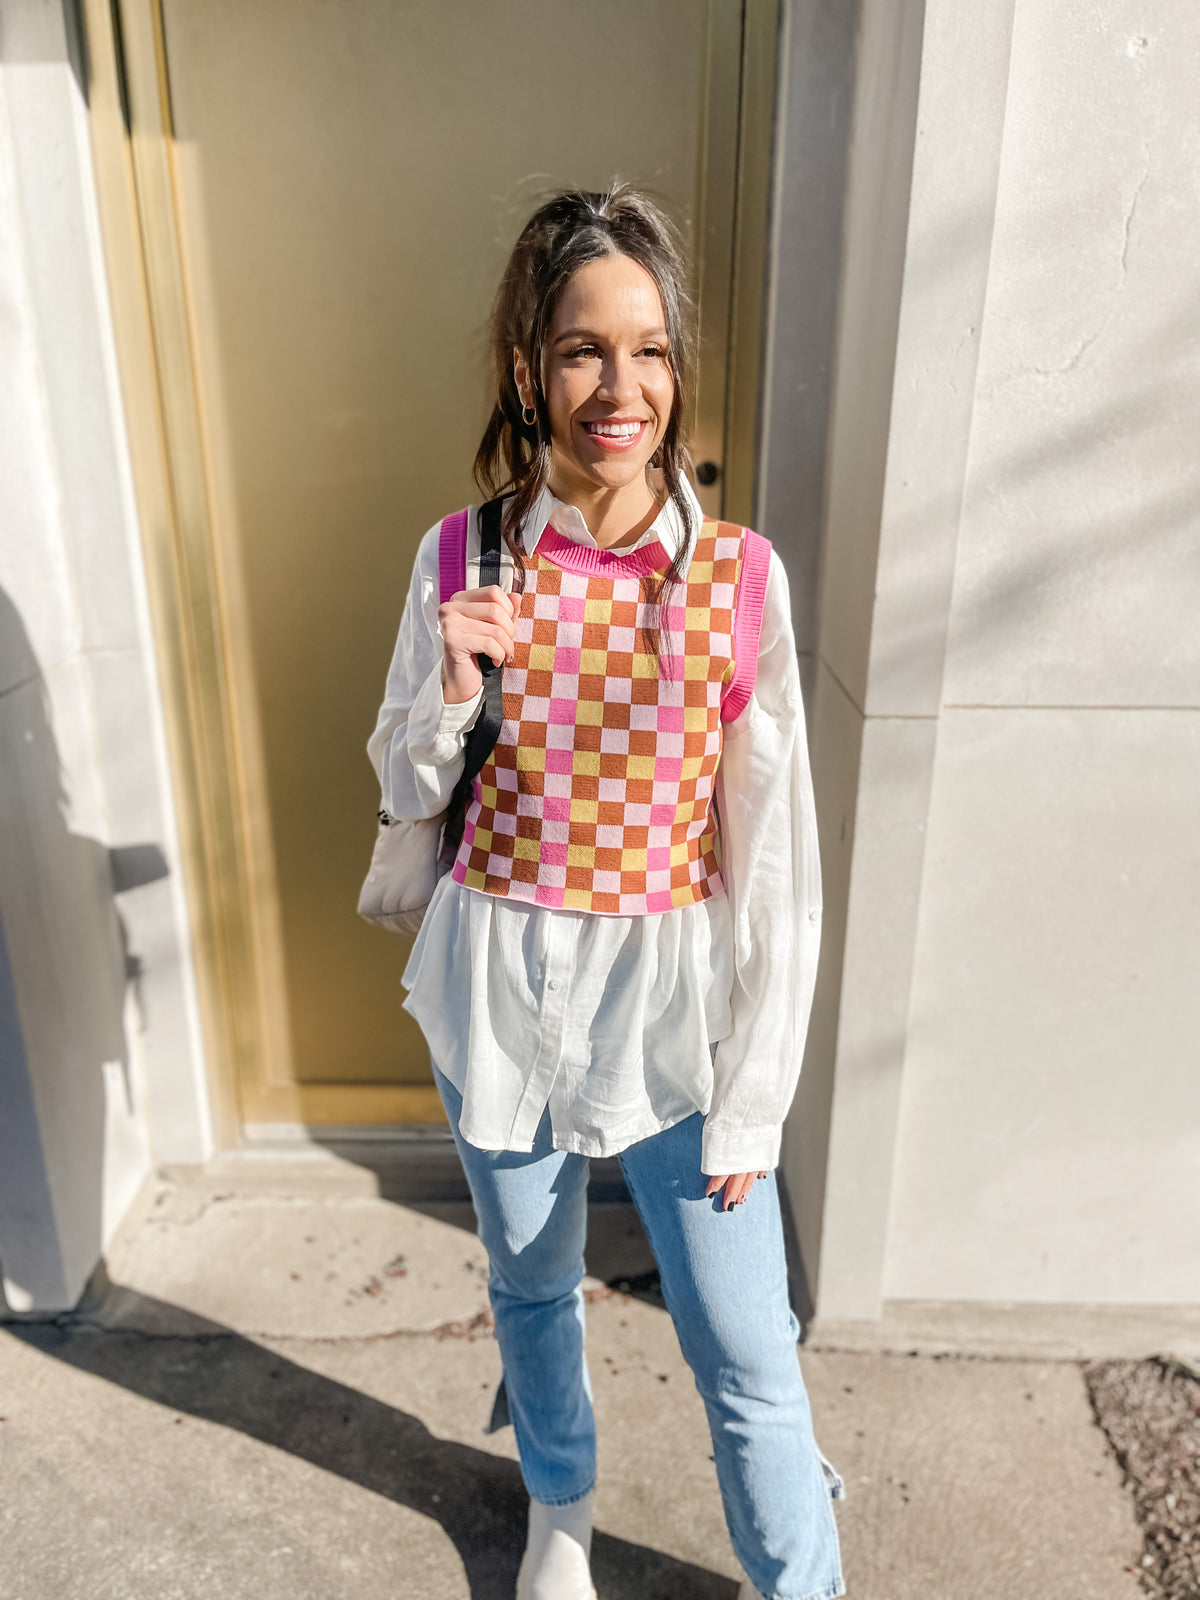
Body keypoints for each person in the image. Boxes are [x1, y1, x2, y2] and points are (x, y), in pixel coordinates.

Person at [366, 185, 845, 1600]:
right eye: (583, 350)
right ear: (531, 368)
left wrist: (757, 1090)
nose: (618, 387)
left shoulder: (739, 578)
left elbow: (779, 861)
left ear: (679, 369)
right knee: (527, 1286)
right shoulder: (459, 557)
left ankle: (799, 1578)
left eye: (647, 350)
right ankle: (559, 1505)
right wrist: (451, 687)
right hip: (502, 997)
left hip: (677, 1017)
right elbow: (404, 791)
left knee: (747, 1347)